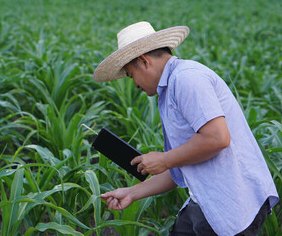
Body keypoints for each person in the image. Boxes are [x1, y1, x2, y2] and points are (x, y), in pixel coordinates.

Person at [93, 21, 279, 235]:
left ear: (143, 61)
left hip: (233, 202)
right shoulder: (170, 88)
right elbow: (180, 165)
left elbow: (218, 138)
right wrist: (132, 193)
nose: (134, 84)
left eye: (130, 74)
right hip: (204, 200)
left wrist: (163, 159)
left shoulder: (186, 78)